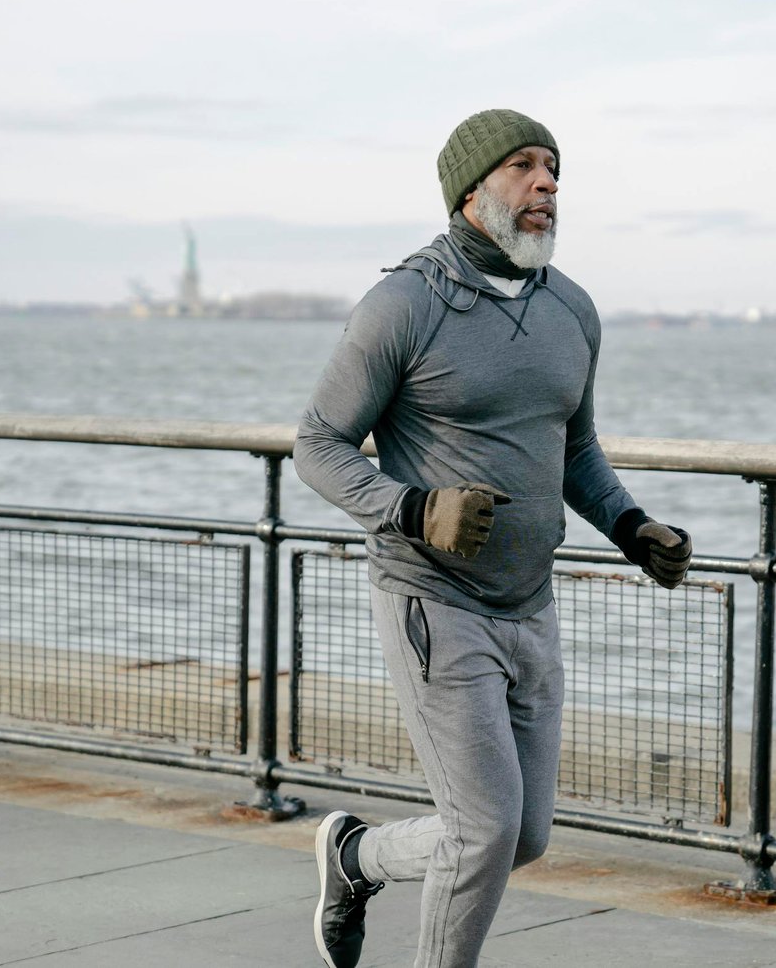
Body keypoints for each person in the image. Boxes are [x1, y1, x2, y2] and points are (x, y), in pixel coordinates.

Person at [294, 108, 692, 968]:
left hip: (530, 602)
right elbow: (317, 445)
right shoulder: (404, 302)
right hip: (433, 599)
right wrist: (411, 508)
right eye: (524, 166)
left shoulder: (572, 310)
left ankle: (355, 855)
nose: (547, 182)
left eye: (553, 167)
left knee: (524, 835)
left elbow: (574, 447)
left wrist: (630, 525)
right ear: (472, 190)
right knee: (482, 830)